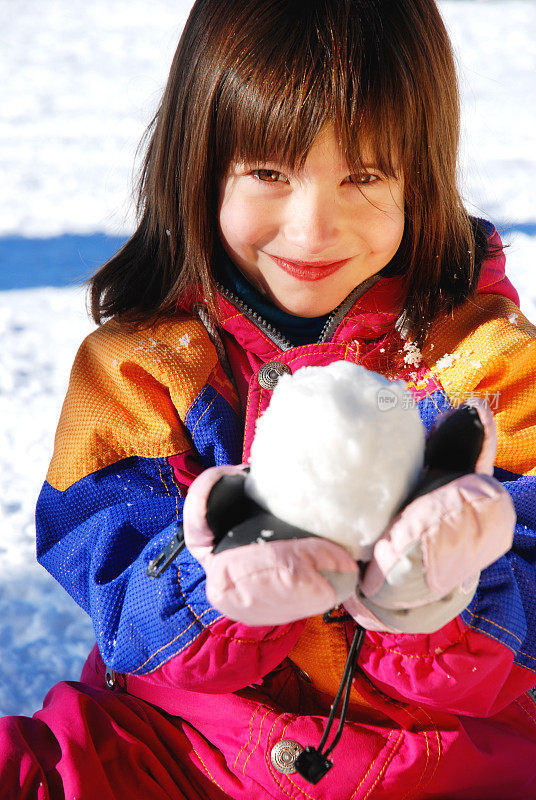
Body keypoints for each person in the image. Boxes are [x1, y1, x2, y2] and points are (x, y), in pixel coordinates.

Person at [2, 0, 536, 797]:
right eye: (268, 172)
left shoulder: (489, 371)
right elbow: (124, 608)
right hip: (178, 747)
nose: (313, 227)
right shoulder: (138, 370)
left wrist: (439, 588)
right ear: (201, 164)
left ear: (418, 177)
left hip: (438, 760)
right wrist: (231, 576)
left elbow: (523, 621)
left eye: (362, 176)